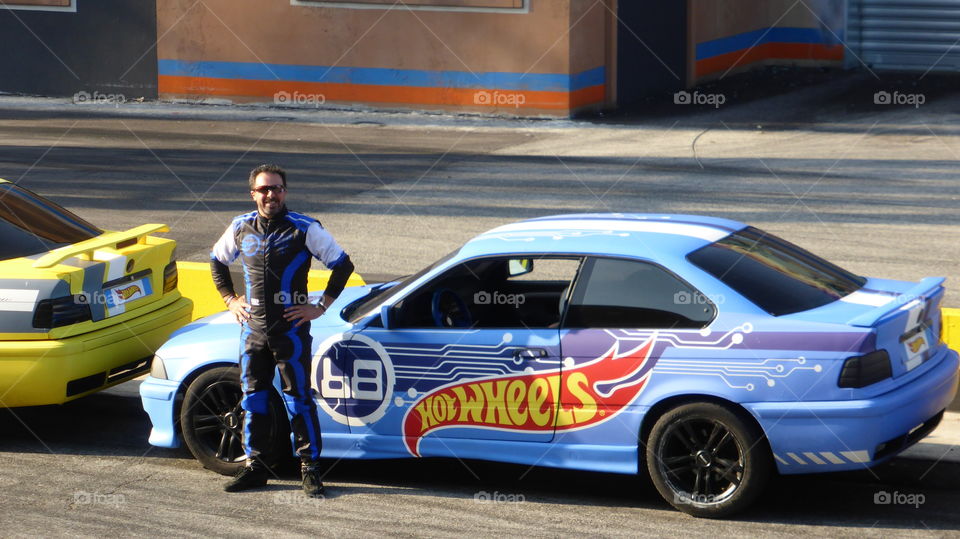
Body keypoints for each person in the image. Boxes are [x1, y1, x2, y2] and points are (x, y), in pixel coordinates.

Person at [209, 164, 355, 497]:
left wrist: (320, 307)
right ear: (253, 194)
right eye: (264, 189)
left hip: (291, 332)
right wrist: (230, 300)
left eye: (276, 188)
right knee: (253, 400)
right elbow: (217, 261)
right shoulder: (239, 226)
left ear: (285, 192)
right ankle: (256, 467)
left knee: (299, 401)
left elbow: (343, 264)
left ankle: (311, 469)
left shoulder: (304, 228)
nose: (270, 195)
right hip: (253, 331)